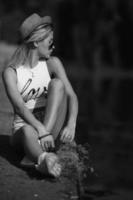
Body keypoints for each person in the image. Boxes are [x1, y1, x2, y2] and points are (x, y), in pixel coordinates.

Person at [2, 13, 78, 178]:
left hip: (49, 129)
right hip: (25, 129)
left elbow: (72, 96)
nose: (53, 47)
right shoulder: (11, 72)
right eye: (50, 43)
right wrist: (40, 130)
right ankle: (44, 158)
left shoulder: (53, 64)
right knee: (28, 130)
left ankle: (40, 152)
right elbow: (20, 108)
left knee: (58, 84)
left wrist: (71, 124)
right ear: (36, 42)